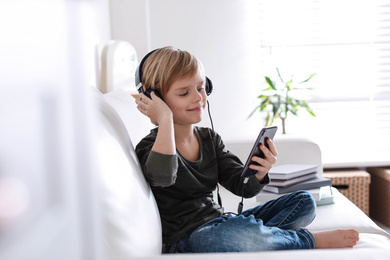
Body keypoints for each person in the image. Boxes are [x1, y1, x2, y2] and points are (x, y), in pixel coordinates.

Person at [135, 46, 359, 253]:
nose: (198, 98)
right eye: (184, 93)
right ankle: (306, 240)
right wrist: (164, 119)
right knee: (237, 234)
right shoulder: (149, 147)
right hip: (189, 239)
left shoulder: (209, 139)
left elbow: (243, 187)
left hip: (222, 223)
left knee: (303, 202)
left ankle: (264, 236)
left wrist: (259, 171)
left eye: (202, 87)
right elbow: (163, 176)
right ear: (154, 98)